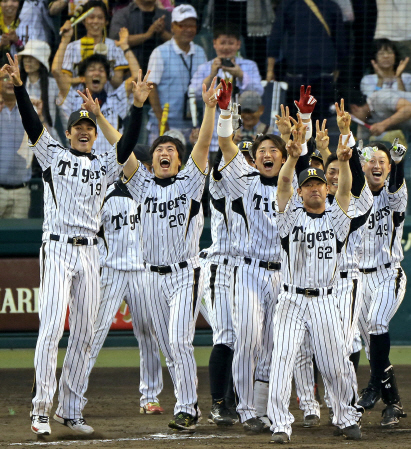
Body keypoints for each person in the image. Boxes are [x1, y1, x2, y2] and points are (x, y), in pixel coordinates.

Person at [1, 53, 153, 435]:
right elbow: (32, 123)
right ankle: (40, 409)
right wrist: (20, 87)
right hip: (56, 248)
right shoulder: (52, 155)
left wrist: (137, 107)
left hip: (91, 252)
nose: (85, 130)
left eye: (89, 126)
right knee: (51, 328)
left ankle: (70, 409)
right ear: (69, 133)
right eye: (79, 126)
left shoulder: (103, 164)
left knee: (85, 335)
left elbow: (129, 143)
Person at [79, 75, 219, 432]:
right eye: (159, 150)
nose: (164, 153)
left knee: (178, 340)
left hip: (184, 272)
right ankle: (187, 405)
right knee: (169, 349)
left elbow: (202, 145)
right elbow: (121, 148)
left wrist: (209, 108)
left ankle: (188, 407)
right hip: (151, 277)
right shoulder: (141, 184)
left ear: (179, 159)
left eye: (171, 150)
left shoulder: (190, 181)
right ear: (152, 160)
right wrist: (98, 118)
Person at [215, 82, 314, 433]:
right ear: (254, 158)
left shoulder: (297, 185)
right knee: (249, 339)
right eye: (262, 151)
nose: (268, 154)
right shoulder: (245, 180)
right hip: (250, 271)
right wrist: (225, 113)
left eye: (274, 149)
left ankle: (261, 410)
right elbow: (226, 144)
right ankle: (244, 409)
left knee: (274, 347)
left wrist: (304, 118)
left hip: (284, 276)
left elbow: (305, 152)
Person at [267, 130, 363, 444]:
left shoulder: (336, 219)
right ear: (302, 191)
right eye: (307, 185)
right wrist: (293, 156)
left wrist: (345, 163)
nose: (313, 190)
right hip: (291, 300)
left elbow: (346, 191)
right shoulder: (290, 218)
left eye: (318, 184)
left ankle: (347, 417)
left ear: (325, 188)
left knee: (336, 363)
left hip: (325, 301)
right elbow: (282, 185)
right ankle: (280, 425)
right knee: (282, 361)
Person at [81, 175, 164, 416]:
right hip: (112, 272)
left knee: (149, 333)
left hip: (142, 271)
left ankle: (150, 397)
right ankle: (74, 396)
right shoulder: (105, 195)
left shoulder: (152, 193)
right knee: (93, 334)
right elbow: (92, 235)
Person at [356, 139, 408, 428]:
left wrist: (398, 166)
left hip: (389, 273)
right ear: (362, 164)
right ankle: (394, 404)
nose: (376, 165)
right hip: (359, 278)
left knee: (377, 323)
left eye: (383, 162)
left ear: (388, 168)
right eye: (371, 160)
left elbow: (398, 185)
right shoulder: (354, 196)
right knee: (373, 347)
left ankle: (374, 385)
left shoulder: (394, 195)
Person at [53, 22, 140, 154]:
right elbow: (56, 71)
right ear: (82, 77)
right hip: (79, 167)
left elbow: (136, 75)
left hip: (111, 169)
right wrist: (65, 40)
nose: (97, 73)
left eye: (101, 70)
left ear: (107, 78)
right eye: (92, 70)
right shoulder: (73, 98)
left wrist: (124, 47)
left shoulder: (116, 99)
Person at [189, 22, 263, 156]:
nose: (226, 47)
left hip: (242, 135)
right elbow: (193, 93)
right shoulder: (205, 67)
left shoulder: (249, 65)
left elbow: (258, 92)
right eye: (222, 42)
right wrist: (212, 74)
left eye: (230, 43)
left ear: (238, 45)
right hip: (213, 135)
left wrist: (240, 75)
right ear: (214, 44)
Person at [266, 0, 346, 123]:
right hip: (324, 69)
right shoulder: (332, 6)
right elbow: (340, 42)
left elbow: (275, 37)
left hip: (296, 69)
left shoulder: (288, 5)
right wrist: (337, 69)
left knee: (296, 118)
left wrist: (270, 70)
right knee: (320, 119)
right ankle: (317, 141)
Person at [146, 4, 207, 145]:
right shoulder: (160, 52)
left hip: (193, 126)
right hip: (164, 125)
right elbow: (151, 88)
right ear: (172, 26)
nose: (188, 30)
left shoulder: (200, 52)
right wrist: (163, 124)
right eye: (182, 25)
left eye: (192, 25)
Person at [60, 1, 129, 88]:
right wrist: (86, 78)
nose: (95, 21)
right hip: (79, 99)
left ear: (106, 22)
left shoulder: (115, 47)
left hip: (108, 99)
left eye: (100, 18)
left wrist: (104, 70)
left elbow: (118, 83)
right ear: (84, 21)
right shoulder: (72, 47)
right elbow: (65, 80)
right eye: (91, 17)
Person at [0, 70, 32, 218]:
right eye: (4, 78)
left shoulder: (29, 110)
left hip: (21, 192)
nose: (8, 82)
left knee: (17, 240)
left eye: (12, 78)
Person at [109, 0, 172, 74]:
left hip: (162, 74)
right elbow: (115, 41)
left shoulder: (166, 15)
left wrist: (163, 32)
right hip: (131, 75)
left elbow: (178, 42)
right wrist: (147, 35)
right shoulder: (122, 14)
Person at [18, 40, 60, 140]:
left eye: (32, 58)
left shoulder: (53, 84)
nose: (27, 61)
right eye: (26, 57)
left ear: (41, 62)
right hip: (20, 142)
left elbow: (64, 115)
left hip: (47, 140)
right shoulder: (16, 84)